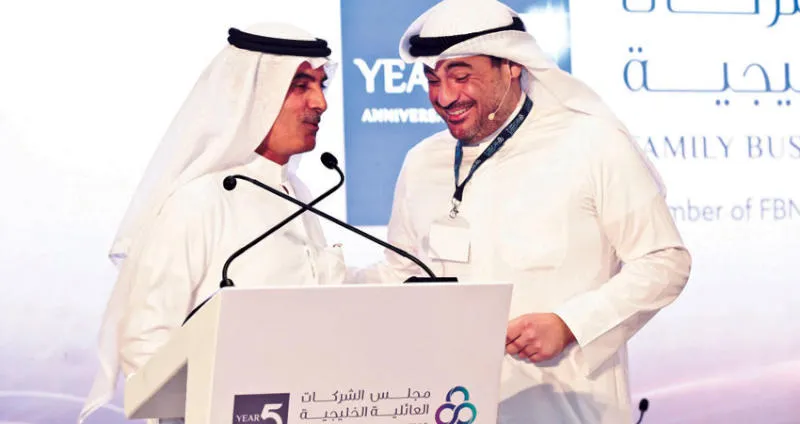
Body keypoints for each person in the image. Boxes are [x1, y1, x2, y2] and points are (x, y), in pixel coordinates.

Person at [349, 0, 692, 423]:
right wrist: (322, 280)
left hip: (565, 411)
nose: (444, 97)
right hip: (447, 406)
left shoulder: (591, 144)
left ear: (511, 65)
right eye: (432, 80)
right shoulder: (422, 162)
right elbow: (401, 273)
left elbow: (664, 262)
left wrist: (569, 324)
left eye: (461, 77)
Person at [78, 22, 345, 423]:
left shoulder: (301, 194)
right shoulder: (199, 202)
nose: (320, 102)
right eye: (300, 85)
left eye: (321, 85)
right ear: (254, 94)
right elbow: (145, 343)